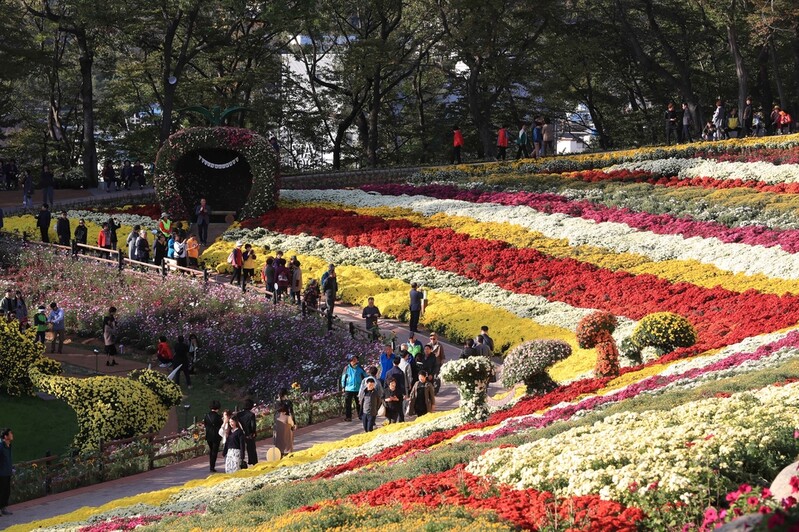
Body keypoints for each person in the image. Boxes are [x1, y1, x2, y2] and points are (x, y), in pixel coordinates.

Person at [341, 354, 367, 421]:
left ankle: (360, 415)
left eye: (356, 359)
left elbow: (365, 376)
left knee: (359, 403)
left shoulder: (360, 368)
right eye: (353, 359)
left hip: (358, 388)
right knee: (348, 404)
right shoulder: (346, 368)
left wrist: (366, 384)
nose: (355, 360)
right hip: (348, 389)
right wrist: (343, 386)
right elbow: (343, 378)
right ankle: (348, 417)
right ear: (350, 361)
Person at [273, 388, 295, 457]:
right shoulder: (288, 402)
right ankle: (287, 452)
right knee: (288, 437)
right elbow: (291, 413)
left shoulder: (275, 402)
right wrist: (294, 422)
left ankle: (279, 453)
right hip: (286, 418)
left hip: (277, 419)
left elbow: (275, 412)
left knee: (278, 437)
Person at [385, 357, 407, 422]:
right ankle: (401, 421)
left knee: (390, 407)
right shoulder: (400, 372)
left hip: (390, 392)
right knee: (400, 408)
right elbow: (403, 384)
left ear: (392, 362)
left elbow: (385, 384)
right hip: (398, 392)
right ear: (399, 362)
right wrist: (404, 393)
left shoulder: (388, 372)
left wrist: (386, 392)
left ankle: (390, 420)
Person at [203, 401, 223, 472]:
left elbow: (205, 424)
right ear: (217, 408)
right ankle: (212, 466)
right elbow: (221, 425)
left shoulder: (206, 415)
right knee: (214, 451)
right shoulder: (218, 416)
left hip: (208, 435)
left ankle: (211, 465)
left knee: (211, 451)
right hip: (216, 436)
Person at [237, 399, 258, 466]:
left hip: (241, 434)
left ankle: (241, 462)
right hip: (249, 434)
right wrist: (253, 432)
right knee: (251, 448)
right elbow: (253, 425)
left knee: (241, 448)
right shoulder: (251, 415)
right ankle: (253, 461)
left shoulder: (239, 414)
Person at [0, 428, 12, 516]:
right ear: (5, 436)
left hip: (8, 472)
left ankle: (4, 508)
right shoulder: (1, 446)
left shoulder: (9, 446)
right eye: (10, 433)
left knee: (6, 491)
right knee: (1, 491)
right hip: (2, 473)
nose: (12, 435)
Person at [321, 264, 337, 331]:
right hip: (329, 293)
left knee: (330, 304)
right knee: (330, 306)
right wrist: (323, 291)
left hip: (333, 292)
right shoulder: (327, 276)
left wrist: (336, 290)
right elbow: (324, 284)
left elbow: (335, 283)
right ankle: (329, 318)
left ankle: (324, 308)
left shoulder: (334, 276)